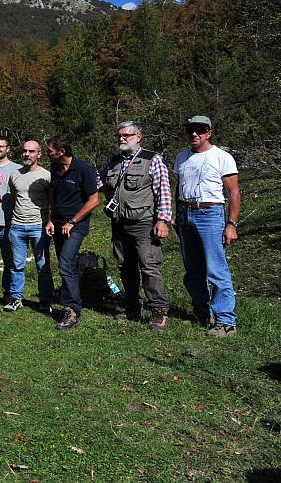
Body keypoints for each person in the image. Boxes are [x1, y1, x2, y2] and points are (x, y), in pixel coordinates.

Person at [99, 122, 172, 330]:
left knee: (149, 267)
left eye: (126, 135)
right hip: (119, 224)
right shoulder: (112, 162)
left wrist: (162, 220)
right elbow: (97, 181)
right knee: (125, 267)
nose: (121, 139)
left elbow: (163, 192)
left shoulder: (152, 160)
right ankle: (132, 308)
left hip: (144, 224)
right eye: (119, 136)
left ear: (138, 137)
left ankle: (159, 312)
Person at [173, 115, 241, 337]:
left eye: (200, 130)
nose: (194, 134)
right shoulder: (182, 157)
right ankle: (201, 313)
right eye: (190, 130)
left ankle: (225, 321)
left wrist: (231, 224)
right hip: (186, 213)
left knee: (216, 268)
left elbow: (233, 192)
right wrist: (176, 216)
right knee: (193, 269)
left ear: (209, 133)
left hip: (210, 214)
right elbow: (179, 188)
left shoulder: (222, 157)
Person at [46, 136, 100, 331]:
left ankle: (73, 309)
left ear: (61, 152)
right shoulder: (55, 169)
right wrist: (51, 219)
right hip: (59, 224)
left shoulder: (83, 169)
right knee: (66, 264)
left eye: (50, 150)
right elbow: (53, 195)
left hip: (75, 226)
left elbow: (94, 201)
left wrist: (72, 221)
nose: (48, 153)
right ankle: (72, 298)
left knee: (65, 263)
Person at [5, 141, 53, 313]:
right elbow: (13, 198)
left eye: (31, 151)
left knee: (42, 265)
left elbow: (51, 202)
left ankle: (45, 300)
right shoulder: (15, 174)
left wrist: (50, 221)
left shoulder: (46, 176)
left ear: (39, 154)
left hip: (38, 226)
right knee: (16, 265)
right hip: (17, 226)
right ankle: (16, 299)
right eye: (24, 151)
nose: (27, 154)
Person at [0, 137, 22, 301]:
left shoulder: (18, 169)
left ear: (8, 148)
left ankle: (8, 293)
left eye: (0, 146)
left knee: (10, 261)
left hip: (9, 223)